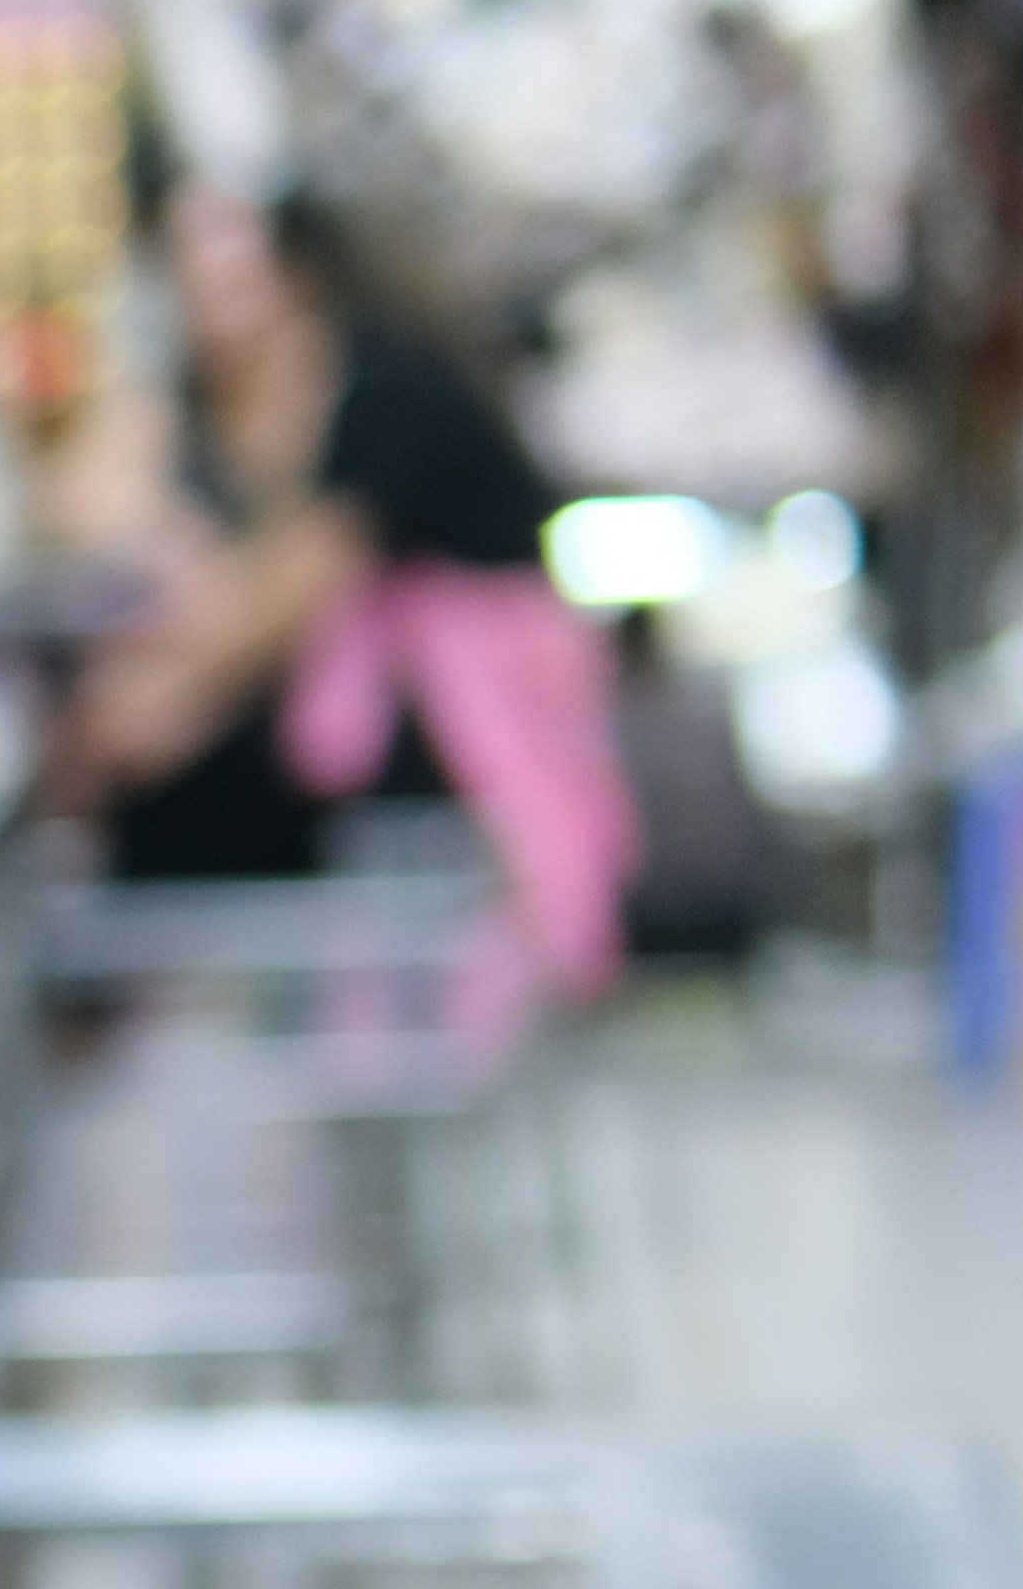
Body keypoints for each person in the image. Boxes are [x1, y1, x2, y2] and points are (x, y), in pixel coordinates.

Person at [53, 173, 636, 1001]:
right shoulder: (226, 398)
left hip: (447, 716)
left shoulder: (377, 387)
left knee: (198, 798)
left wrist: (170, 708)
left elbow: (293, 593)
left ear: (296, 272)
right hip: (374, 702)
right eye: (190, 268)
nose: (214, 292)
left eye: (237, 268)